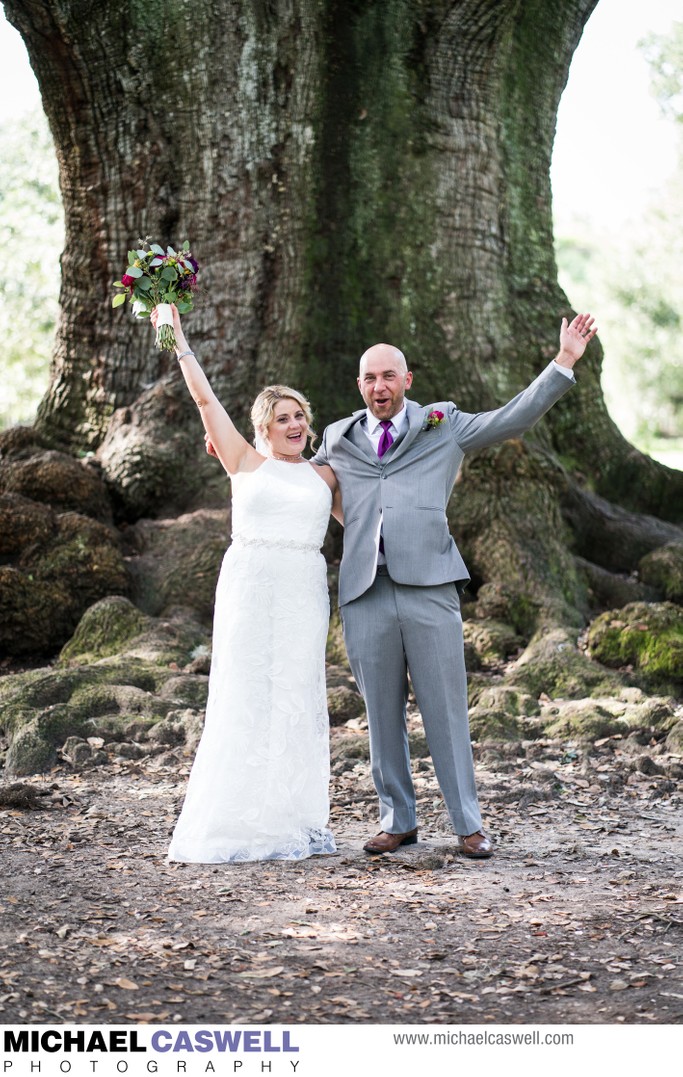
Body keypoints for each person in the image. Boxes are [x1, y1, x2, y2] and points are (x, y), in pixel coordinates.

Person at [313, 313, 598, 858]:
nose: (380, 386)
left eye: (389, 376)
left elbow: (511, 420)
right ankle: (398, 819)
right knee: (381, 713)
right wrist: (241, 459)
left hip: (430, 586)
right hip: (364, 590)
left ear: (407, 380)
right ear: (359, 385)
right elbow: (301, 484)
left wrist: (563, 361)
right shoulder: (337, 437)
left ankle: (468, 823)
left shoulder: (443, 424)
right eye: (370, 378)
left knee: (445, 709)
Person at [152, 304, 342, 863]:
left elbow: (365, 523)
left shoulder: (324, 475)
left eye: (299, 416)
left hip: (304, 590)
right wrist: (180, 338)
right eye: (283, 418)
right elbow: (205, 400)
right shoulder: (242, 460)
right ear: (263, 427)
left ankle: (291, 816)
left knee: (293, 695)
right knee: (244, 693)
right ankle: (235, 818)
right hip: (250, 586)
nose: (294, 425)